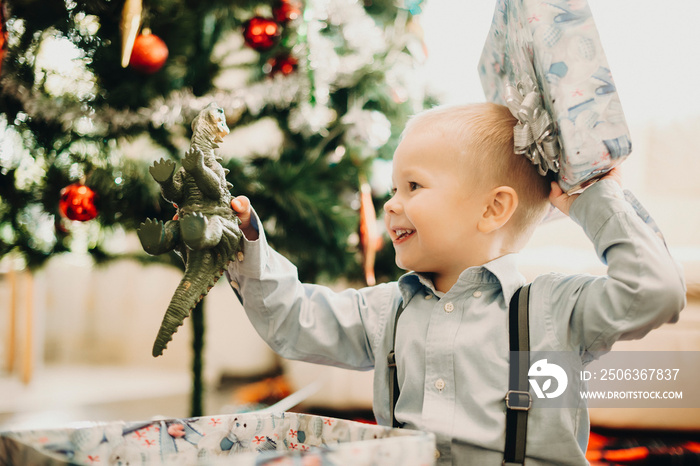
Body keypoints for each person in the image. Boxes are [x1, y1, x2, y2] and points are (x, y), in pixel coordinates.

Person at [226, 102, 686, 464]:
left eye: (413, 187)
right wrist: (246, 241)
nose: (390, 205)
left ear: (492, 209)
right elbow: (291, 320)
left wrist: (595, 201)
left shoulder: (553, 310)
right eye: (393, 188)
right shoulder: (388, 310)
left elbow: (655, 292)